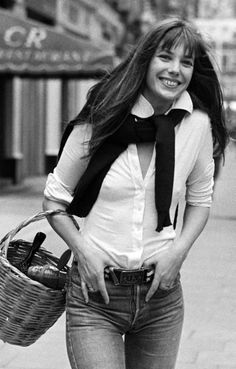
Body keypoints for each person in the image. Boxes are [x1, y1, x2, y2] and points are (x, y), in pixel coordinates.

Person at [43, 17, 228, 369]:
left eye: (186, 62)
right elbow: (54, 199)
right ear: (145, 60)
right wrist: (82, 250)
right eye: (165, 57)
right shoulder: (102, 119)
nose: (175, 70)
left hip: (162, 297)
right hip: (95, 294)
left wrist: (178, 253)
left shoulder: (197, 126)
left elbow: (200, 202)